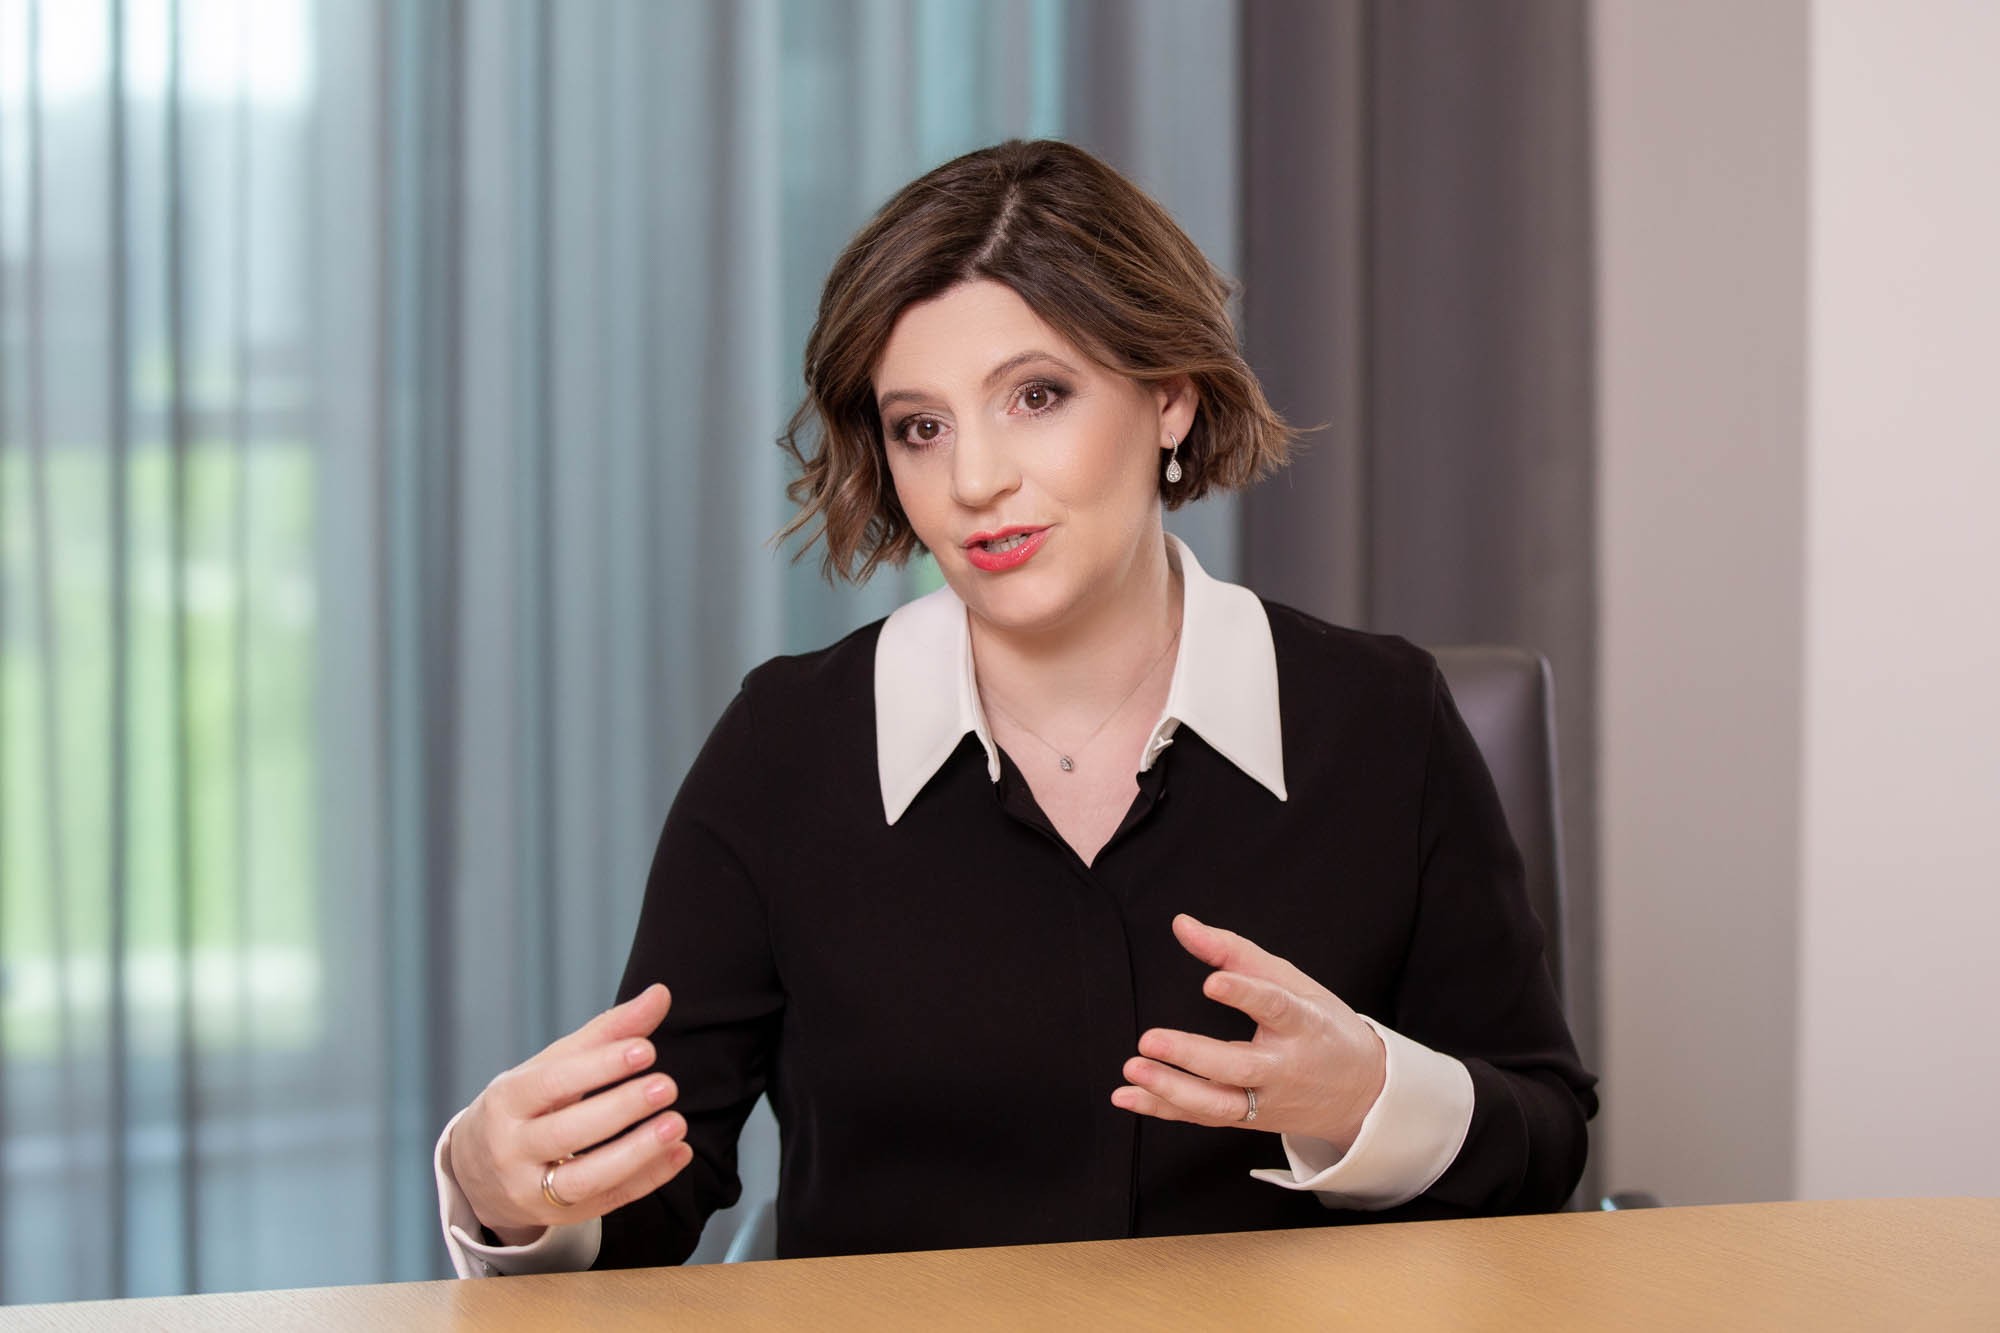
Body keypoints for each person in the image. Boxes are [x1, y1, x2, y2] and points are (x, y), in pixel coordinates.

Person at [434, 139, 1596, 1277]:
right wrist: (502, 1193)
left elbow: (1542, 1141)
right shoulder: (783, 749)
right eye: (920, 426)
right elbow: (649, 1190)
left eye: (1035, 396)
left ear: (1169, 397)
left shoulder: (1381, 720)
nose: (973, 479)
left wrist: (1370, 1099)